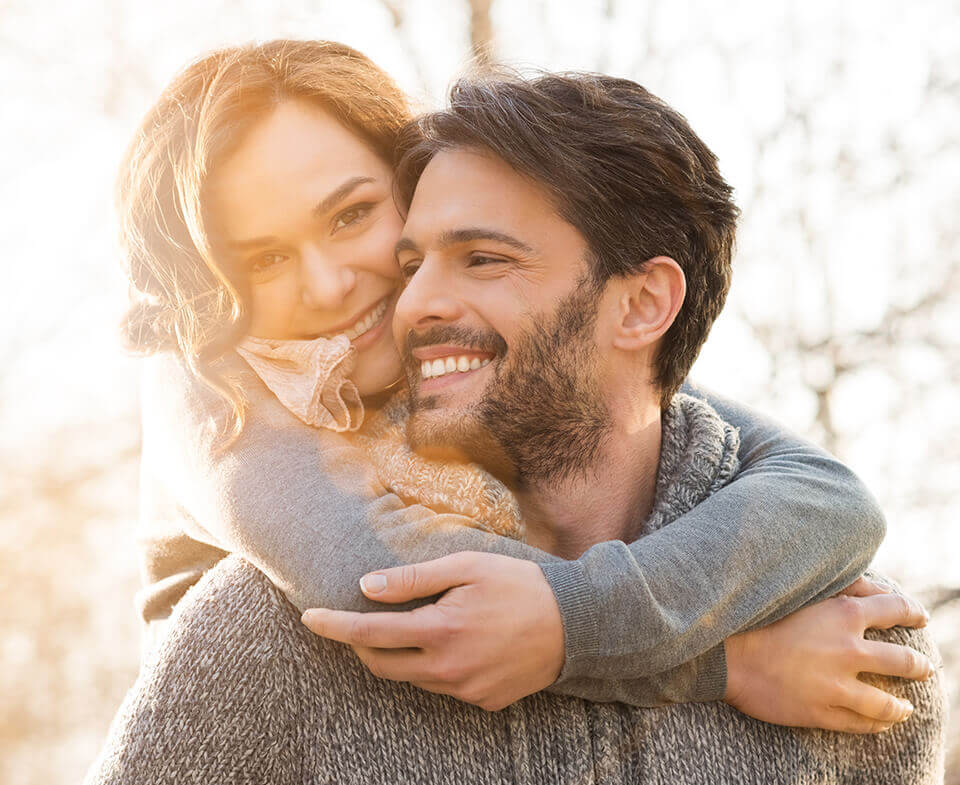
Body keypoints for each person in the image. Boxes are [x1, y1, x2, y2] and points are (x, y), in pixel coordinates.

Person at [85, 42, 940, 781]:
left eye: (352, 214)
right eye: (264, 258)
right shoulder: (217, 401)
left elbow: (822, 492)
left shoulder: (507, 348)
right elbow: (389, 593)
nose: (329, 284)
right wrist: (726, 661)